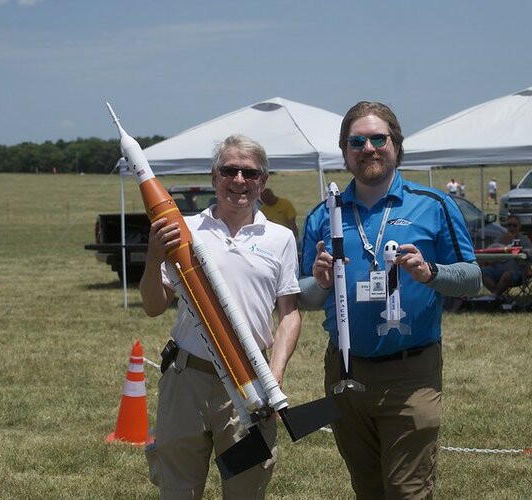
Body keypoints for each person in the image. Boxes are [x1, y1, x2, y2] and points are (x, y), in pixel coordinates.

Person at [299, 101, 481, 499]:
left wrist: (429, 272)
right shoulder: (322, 215)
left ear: (396, 145)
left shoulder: (433, 205)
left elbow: (472, 278)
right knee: (368, 490)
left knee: (405, 490)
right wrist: (320, 281)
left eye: (378, 138)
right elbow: (306, 298)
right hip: (345, 373)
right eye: (357, 141)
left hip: (410, 373)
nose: (369, 148)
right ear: (345, 151)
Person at [141, 134, 302, 499]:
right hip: (187, 378)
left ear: (263, 180)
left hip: (250, 381)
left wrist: (272, 379)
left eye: (249, 172)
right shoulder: (184, 229)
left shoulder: (280, 238)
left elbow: (289, 314)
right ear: (215, 177)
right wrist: (153, 256)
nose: (239, 180)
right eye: (230, 170)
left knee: (246, 488)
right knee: (178, 489)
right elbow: (153, 306)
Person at [481, 214, 532, 297]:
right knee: (481, 272)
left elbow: (531, 253)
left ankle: (496, 296)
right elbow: (490, 251)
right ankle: (496, 294)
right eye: (509, 225)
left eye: (514, 225)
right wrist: (503, 243)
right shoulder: (501, 238)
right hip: (498, 268)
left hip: (517, 269)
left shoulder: (524, 239)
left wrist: (519, 251)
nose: (511, 228)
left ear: (519, 227)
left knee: (507, 275)